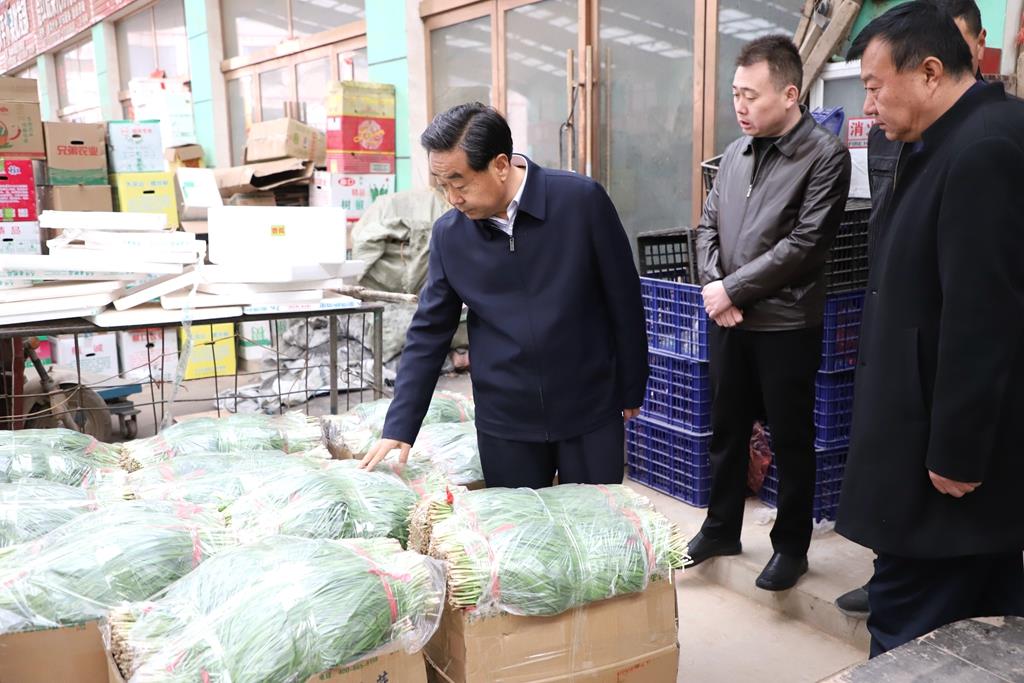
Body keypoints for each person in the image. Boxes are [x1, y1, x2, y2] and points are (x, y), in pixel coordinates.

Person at [838, 1, 1024, 656]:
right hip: (932, 450)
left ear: (930, 71)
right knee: (985, 632)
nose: (868, 105)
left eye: (874, 85)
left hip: (943, 473)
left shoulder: (983, 147)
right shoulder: (940, 140)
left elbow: (983, 316)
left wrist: (956, 452)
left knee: (911, 635)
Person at [358, 102, 648, 488]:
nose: (452, 198)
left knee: (597, 517)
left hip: (588, 407)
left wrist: (630, 386)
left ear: (499, 165)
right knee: (518, 525)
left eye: (460, 183)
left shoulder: (580, 202)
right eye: (442, 185)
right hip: (505, 422)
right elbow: (429, 331)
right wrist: (400, 424)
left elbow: (623, 298)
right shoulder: (450, 235)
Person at [690, 35, 851, 591]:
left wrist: (732, 290)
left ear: (789, 94)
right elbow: (706, 226)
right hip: (730, 319)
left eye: (751, 96)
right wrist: (715, 286)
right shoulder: (735, 153)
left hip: (786, 323)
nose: (740, 106)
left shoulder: (824, 156)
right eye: (735, 94)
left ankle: (791, 547)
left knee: (790, 436)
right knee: (726, 429)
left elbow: (805, 245)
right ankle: (720, 528)